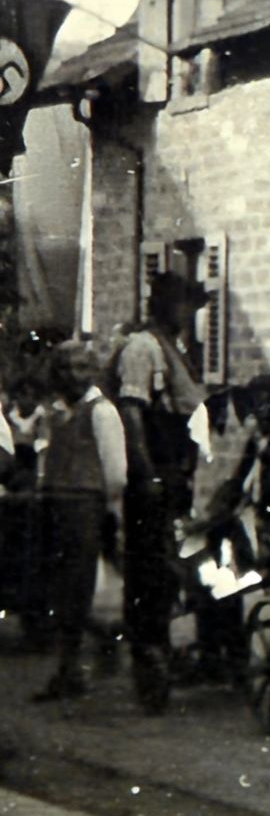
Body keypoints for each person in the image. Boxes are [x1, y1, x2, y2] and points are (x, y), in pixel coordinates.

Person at [113, 271, 211, 713]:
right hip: (153, 470)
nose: (188, 313)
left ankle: (173, 649)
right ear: (163, 306)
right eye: (181, 304)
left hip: (174, 471)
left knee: (175, 561)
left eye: (192, 305)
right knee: (149, 566)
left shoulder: (179, 350)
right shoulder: (144, 347)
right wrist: (147, 474)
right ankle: (147, 655)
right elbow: (133, 415)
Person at [29, 341, 126, 702]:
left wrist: (110, 513)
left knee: (83, 589)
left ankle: (91, 656)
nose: (73, 376)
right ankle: (67, 668)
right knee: (59, 589)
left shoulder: (102, 413)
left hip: (87, 508)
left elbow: (116, 472)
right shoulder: (56, 414)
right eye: (65, 368)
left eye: (82, 368)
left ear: (93, 372)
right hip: (56, 506)